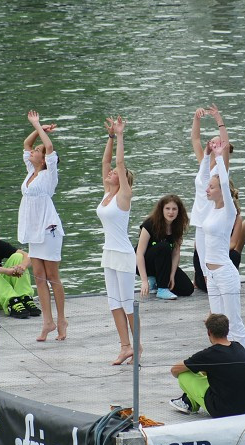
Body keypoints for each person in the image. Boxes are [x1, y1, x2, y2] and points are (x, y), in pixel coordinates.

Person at [197, 138, 245, 368]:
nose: (207, 190)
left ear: (221, 190)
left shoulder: (228, 210)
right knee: (216, 326)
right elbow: (202, 179)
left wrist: (220, 157)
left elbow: (222, 179)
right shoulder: (211, 208)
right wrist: (206, 156)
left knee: (235, 324)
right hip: (211, 276)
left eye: (212, 187)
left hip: (225, 274)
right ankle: (224, 366)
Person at [19, 110, 67, 342]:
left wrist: (39, 126)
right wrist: (38, 130)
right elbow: (27, 143)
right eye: (36, 151)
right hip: (33, 229)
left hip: (49, 229)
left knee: (52, 275)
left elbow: (48, 149)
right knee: (38, 276)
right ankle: (47, 321)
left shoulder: (49, 175)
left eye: (38, 152)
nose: (34, 151)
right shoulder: (31, 171)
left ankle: (62, 319)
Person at [99, 116, 138, 365]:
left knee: (127, 304)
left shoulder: (124, 196)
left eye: (115, 173)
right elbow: (106, 160)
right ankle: (125, 347)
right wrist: (111, 137)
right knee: (114, 303)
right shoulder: (106, 194)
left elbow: (119, 163)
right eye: (111, 172)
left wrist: (122, 135)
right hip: (109, 253)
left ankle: (138, 344)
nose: (111, 171)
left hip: (124, 254)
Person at [190, 105, 239, 293]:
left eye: (217, 143)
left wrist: (219, 119)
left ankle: (219, 300)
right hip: (199, 218)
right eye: (212, 142)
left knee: (214, 262)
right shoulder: (203, 161)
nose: (213, 144)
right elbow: (195, 138)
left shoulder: (221, 169)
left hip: (212, 219)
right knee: (204, 266)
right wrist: (197, 118)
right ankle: (213, 302)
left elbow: (225, 142)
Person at [169, 314, 245, 417]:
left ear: (209, 332)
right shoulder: (239, 347)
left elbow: (174, 370)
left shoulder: (209, 354)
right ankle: (188, 401)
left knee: (184, 375)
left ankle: (189, 401)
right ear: (227, 330)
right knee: (211, 375)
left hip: (222, 410)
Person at [136, 194, 194, 300]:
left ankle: (158, 282)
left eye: (174, 209)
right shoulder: (150, 224)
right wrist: (144, 281)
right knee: (164, 246)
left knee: (187, 289)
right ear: (161, 210)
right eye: (167, 208)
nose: (170, 212)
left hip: (163, 265)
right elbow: (139, 253)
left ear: (179, 211)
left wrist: (171, 275)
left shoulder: (177, 226)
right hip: (144, 263)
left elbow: (176, 253)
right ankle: (161, 288)